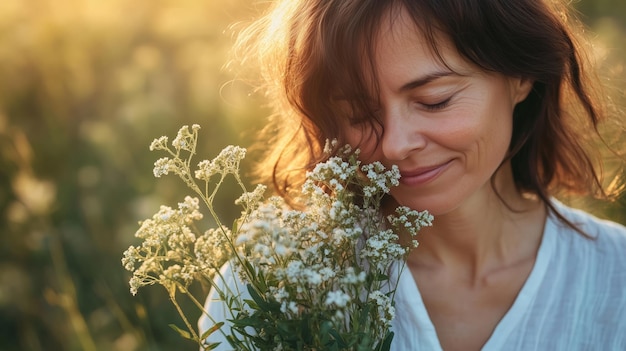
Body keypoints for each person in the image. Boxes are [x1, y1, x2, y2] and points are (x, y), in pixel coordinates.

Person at [200, 0, 626, 350]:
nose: (394, 145)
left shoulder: (615, 276)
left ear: (520, 77)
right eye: (360, 113)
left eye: (434, 100)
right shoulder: (270, 279)